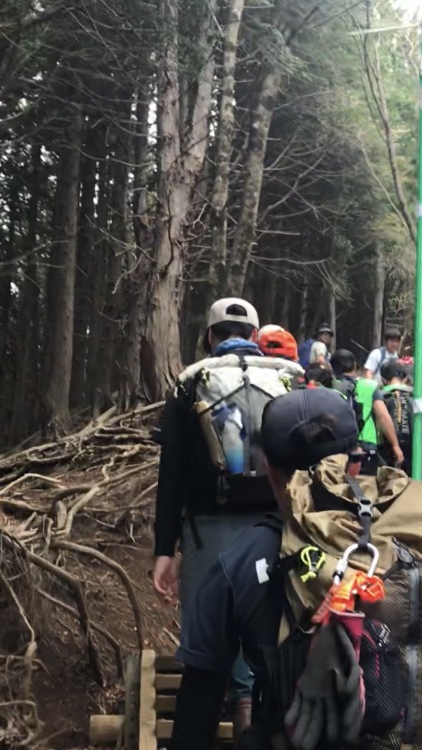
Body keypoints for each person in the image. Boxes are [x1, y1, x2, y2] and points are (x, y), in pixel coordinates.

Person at [167, 389, 422, 750]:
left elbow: (196, 713)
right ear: (353, 462)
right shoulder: (419, 529)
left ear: (267, 466)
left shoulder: (238, 563)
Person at [151, 297, 274, 735]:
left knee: (203, 667)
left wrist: (166, 549)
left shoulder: (189, 385)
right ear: (256, 338)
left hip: (207, 540)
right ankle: (249, 723)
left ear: (209, 336)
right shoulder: (287, 383)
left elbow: (172, 477)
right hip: (271, 540)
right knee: (269, 663)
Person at [330, 349, 399, 474]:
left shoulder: (329, 387)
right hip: (367, 448)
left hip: (337, 450)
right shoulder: (369, 386)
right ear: (355, 366)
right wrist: (395, 446)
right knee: (367, 488)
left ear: (332, 368)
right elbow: (383, 417)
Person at [377, 359, 422, 479]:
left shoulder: (379, 398)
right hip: (414, 452)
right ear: (404, 379)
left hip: (388, 453)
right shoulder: (419, 397)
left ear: (383, 380)